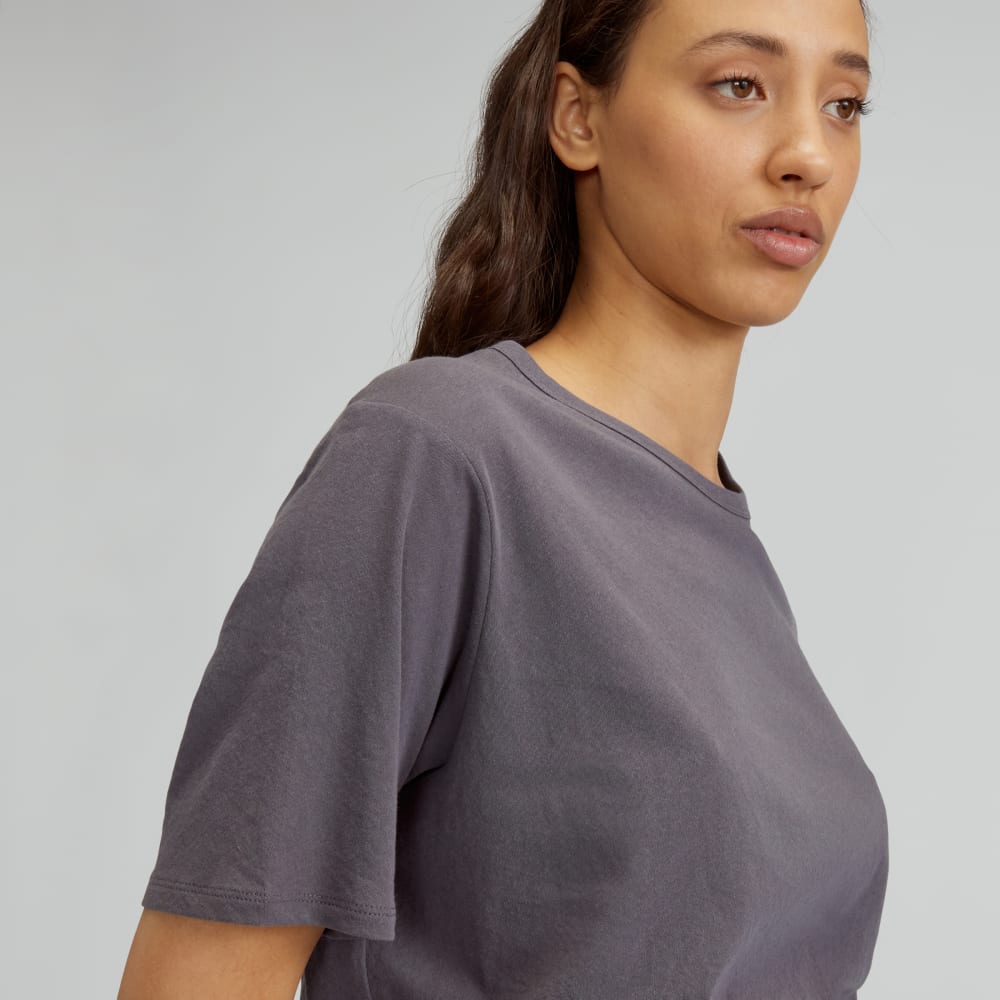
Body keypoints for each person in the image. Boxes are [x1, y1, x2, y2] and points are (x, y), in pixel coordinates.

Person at [118, 0, 889, 996]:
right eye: (739, 85)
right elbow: (197, 979)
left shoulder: (727, 555)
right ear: (577, 117)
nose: (808, 155)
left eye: (843, 104)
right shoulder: (436, 455)